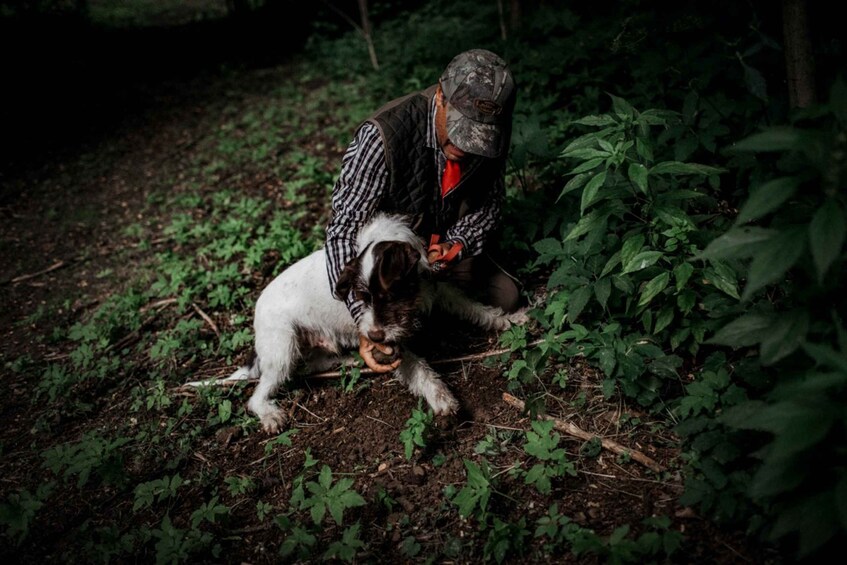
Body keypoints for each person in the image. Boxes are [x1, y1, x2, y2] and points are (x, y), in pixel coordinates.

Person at [325, 48, 520, 372]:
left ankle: (430, 313)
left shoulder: (494, 134)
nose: (468, 146)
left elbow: (491, 206)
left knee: (506, 295)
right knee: (397, 326)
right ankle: (417, 317)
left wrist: (457, 244)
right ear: (440, 96)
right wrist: (364, 319)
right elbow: (342, 232)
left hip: (437, 257)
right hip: (385, 274)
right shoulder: (383, 136)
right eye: (461, 128)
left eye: (481, 137)